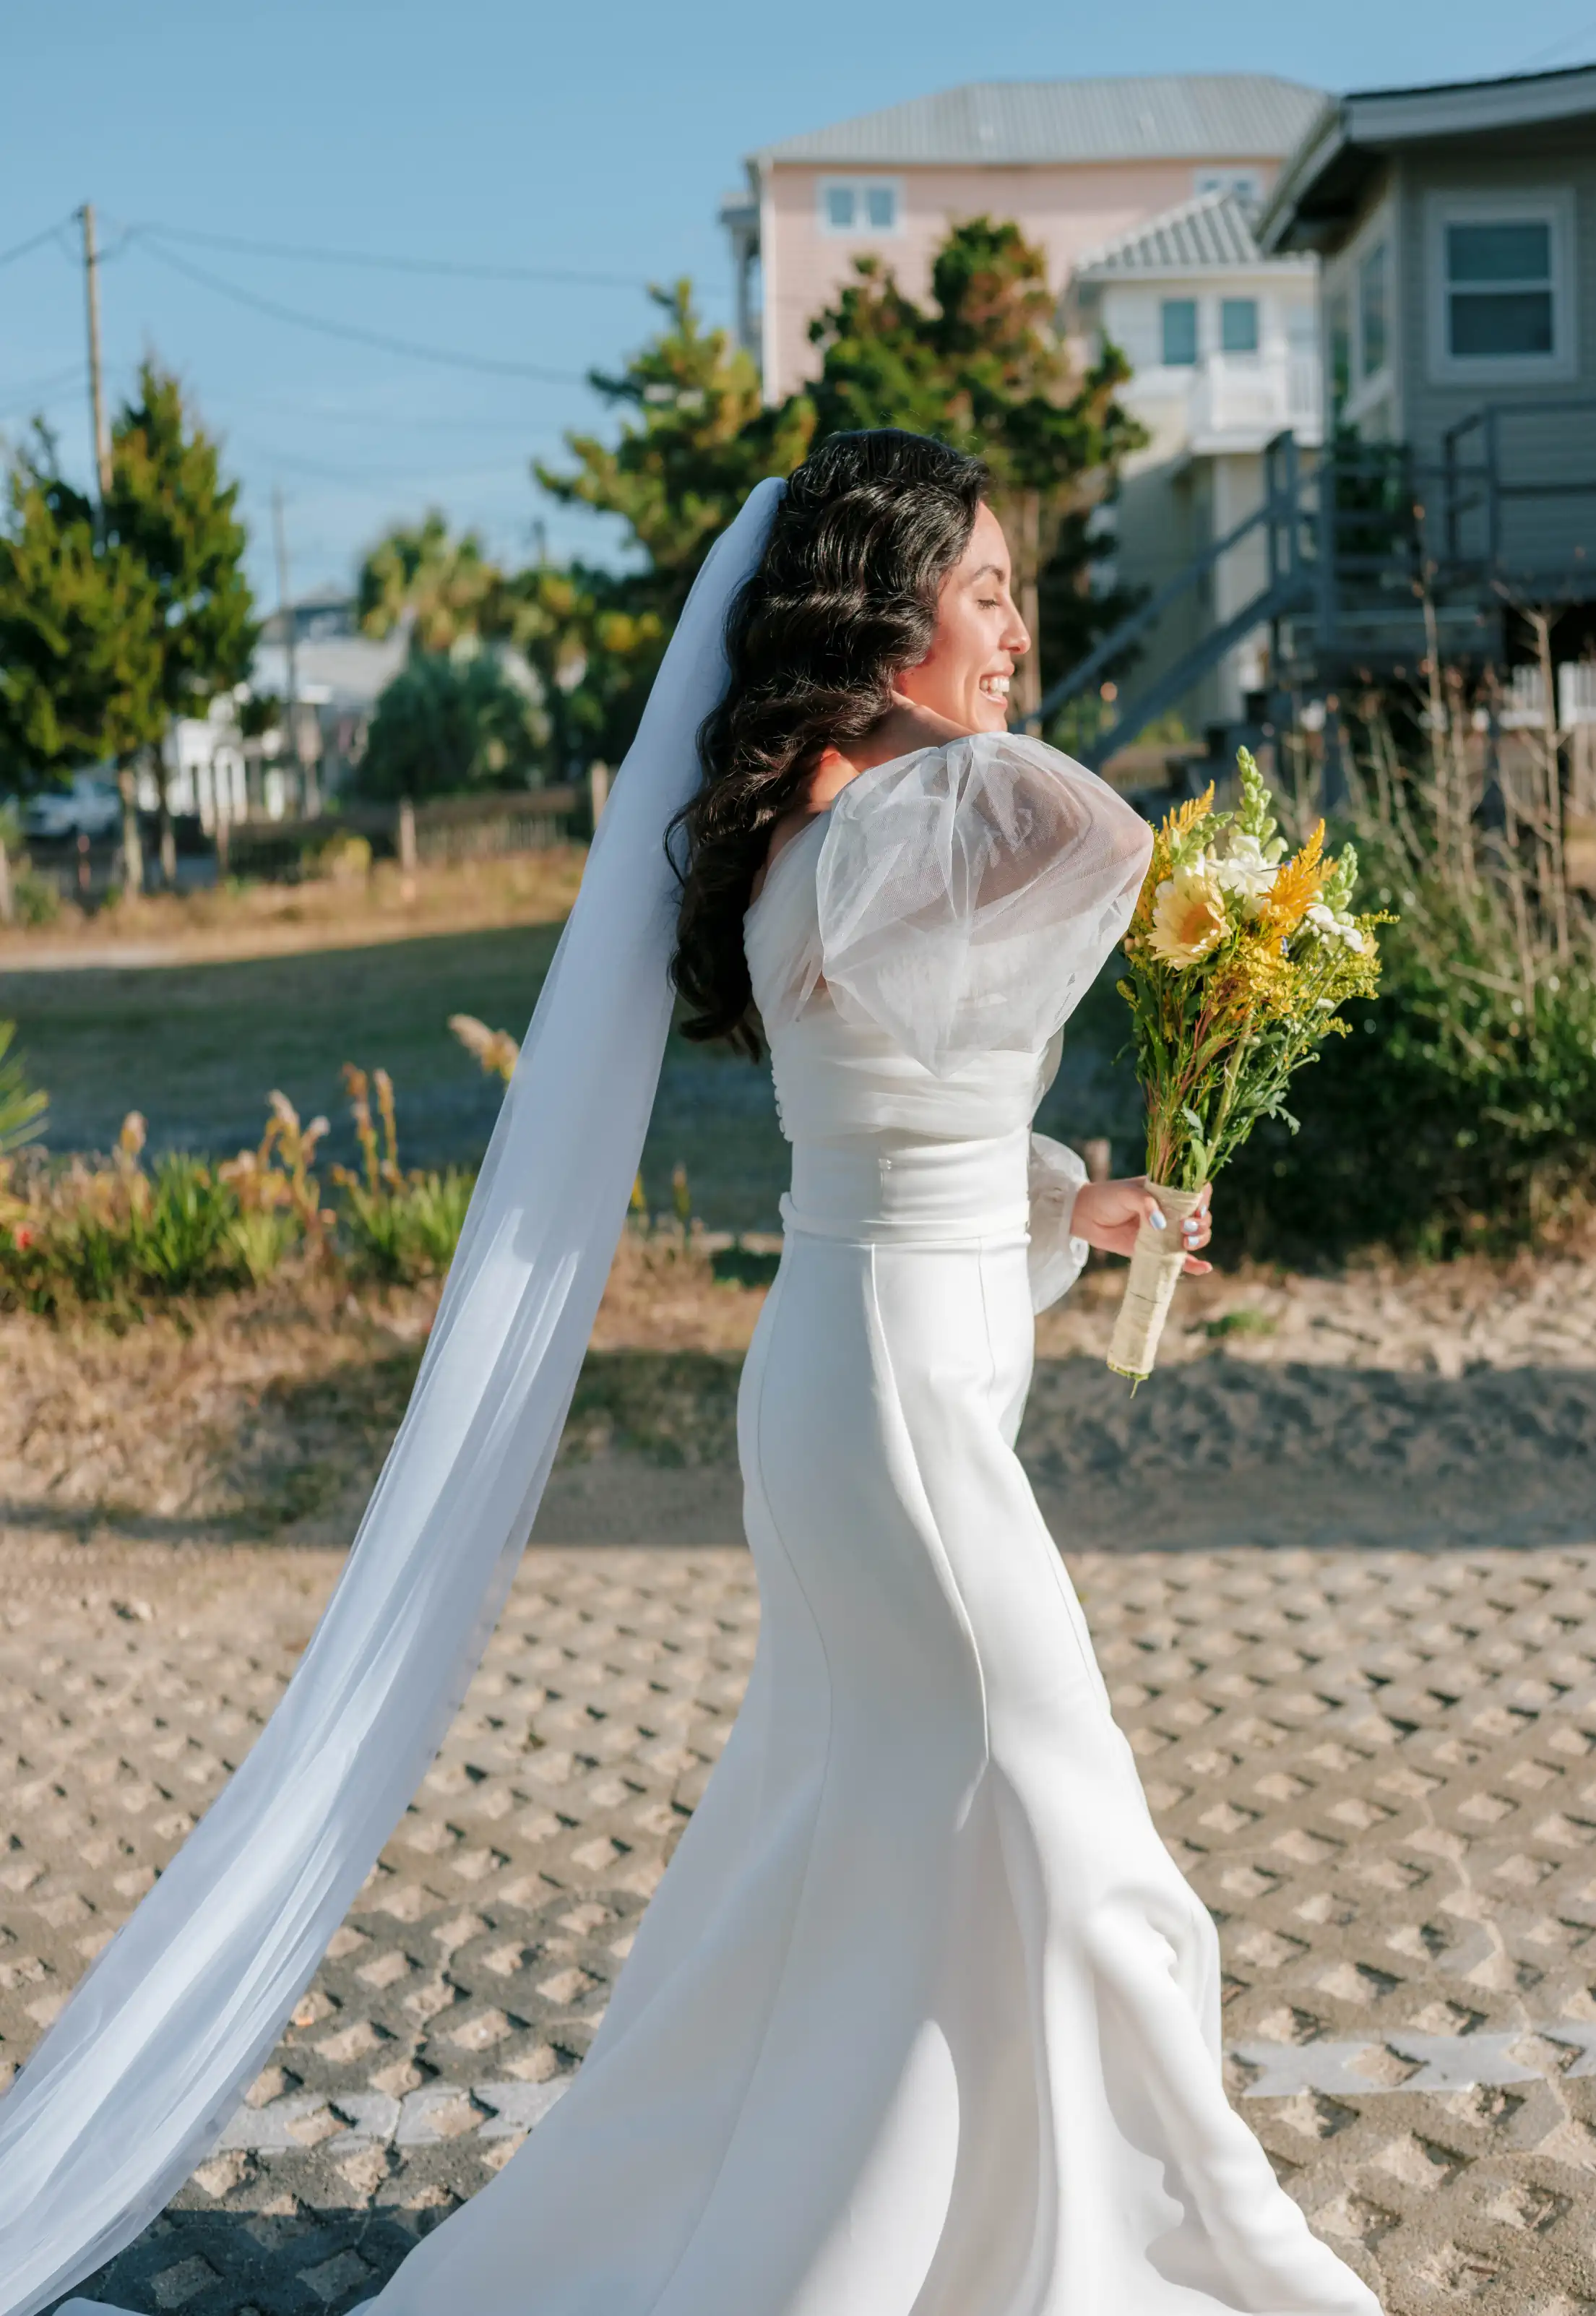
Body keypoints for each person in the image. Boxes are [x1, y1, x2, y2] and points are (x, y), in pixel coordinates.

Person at [24, 432, 1377, 2316]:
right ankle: (1196, 2248)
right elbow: (1105, 841)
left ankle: (892, 2230)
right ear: (880, 620)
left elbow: (919, 1133)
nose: (1019, 631)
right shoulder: (868, 827)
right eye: (985, 593)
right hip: (890, 1414)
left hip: (875, 1380)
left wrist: (1081, 1204)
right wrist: (1199, 904)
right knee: (1066, 1822)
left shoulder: (850, 833)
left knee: (866, 1840)